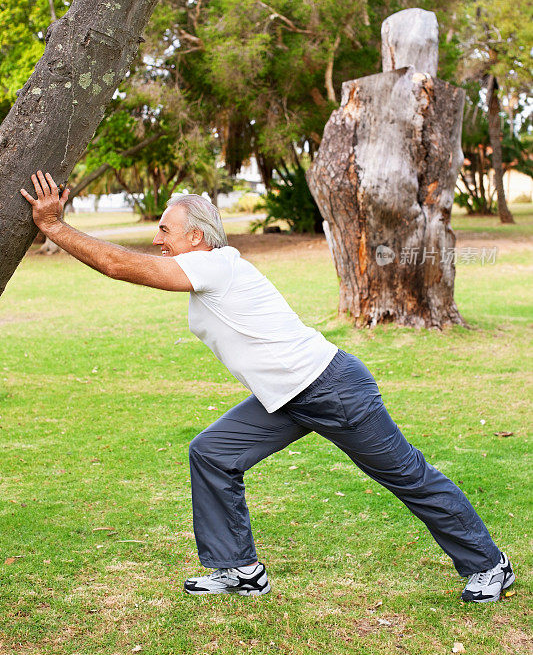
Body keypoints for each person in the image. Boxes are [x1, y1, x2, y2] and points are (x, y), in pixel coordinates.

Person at [21, 171, 515, 602]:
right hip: (285, 399)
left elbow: (121, 266)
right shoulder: (211, 267)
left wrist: (55, 227)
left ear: (196, 237)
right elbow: (137, 265)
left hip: (332, 389)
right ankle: (240, 570)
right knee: (212, 453)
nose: (158, 240)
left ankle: (490, 565)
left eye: (165, 230)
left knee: (407, 475)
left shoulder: (216, 264)